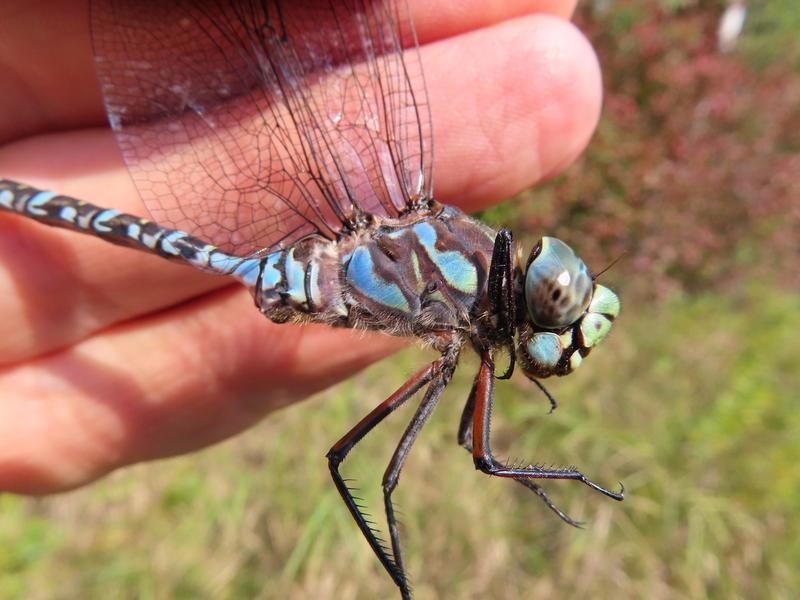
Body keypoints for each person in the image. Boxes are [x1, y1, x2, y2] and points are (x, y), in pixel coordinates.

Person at [0, 0, 601, 494]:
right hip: (322, 260)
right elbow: (424, 462)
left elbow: (478, 448)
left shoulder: (472, 309)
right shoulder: (465, 311)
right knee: (371, 471)